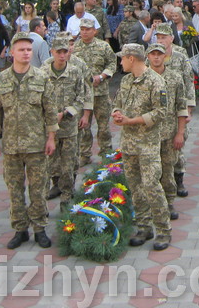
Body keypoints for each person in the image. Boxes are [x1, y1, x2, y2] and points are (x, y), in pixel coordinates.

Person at [0, 32, 57, 250]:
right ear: (11, 52)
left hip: (36, 144)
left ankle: (39, 228)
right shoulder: (2, 80)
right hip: (11, 146)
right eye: (22, 50)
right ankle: (20, 229)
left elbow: (50, 110)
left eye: (29, 49)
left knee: (38, 189)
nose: (26, 53)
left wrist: (51, 138)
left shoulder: (41, 77)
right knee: (14, 189)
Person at [112, 43, 172, 251]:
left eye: (122, 58)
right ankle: (143, 227)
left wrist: (132, 121)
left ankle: (163, 230)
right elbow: (117, 102)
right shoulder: (127, 81)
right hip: (129, 145)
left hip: (147, 144)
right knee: (136, 188)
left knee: (151, 187)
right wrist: (117, 114)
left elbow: (160, 113)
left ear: (131, 58)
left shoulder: (156, 81)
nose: (120, 62)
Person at [42, 35, 90, 210]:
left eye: (65, 51)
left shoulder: (75, 71)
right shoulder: (43, 71)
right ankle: (53, 190)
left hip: (69, 126)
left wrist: (66, 112)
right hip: (49, 128)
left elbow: (81, 96)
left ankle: (66, 198)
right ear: (52, 52)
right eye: (59, 52)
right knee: (50, 164)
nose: (62, 55)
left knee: (69, 164)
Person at [146, 43, 188, 221]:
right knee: (149, 173)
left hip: (168, 133)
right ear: (148, 57)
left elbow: (181, 108)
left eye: (159, 54)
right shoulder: (141, 78)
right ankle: (149, 206)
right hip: (147, 135)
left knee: (168, 170)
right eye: (153, 54)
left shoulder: (175, 78)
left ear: (165, 57)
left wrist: (180, 133)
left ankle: (169, 203)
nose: (156, 57)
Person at [75, 18, 117, 166]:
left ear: (95, 31)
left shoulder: (103, 46)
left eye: (88, 29)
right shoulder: (74, 48)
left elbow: (112, 63)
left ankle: (106, 152)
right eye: (82, 29)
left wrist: (102, 75)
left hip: (100, 93)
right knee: (83, 126)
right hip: (82, 94)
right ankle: (84, 154)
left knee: (104, 126)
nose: (85, 32)